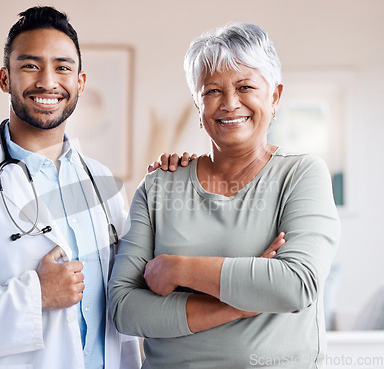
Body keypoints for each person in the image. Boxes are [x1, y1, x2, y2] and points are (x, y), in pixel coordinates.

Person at [0, 6, 185, 369]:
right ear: (6, 79)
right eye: (30, 65)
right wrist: (35, 297)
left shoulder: (102, 185)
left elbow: (134, 288)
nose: (48, 81)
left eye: (62, 67)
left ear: (80, 82)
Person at [108, 23, 341, 368]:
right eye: (212, 91)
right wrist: (241, 302)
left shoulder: (301, 175)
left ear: (274, 96)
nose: (230, 103)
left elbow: (296, 285)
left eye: (245, 86)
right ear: (198, 105)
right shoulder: (160, 185)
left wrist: (178, 269)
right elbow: (124, 309)